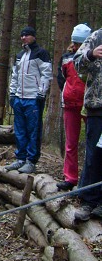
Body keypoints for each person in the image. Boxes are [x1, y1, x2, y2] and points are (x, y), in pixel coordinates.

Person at [5, 26, 53, 174]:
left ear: (33, 36)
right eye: (22, 35)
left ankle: (31, 161)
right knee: (20, 130)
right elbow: (15, 76)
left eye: (27, 35)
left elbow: (47, 74)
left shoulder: (41, 53)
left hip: (33, 98)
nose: (24, 38)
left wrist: (41, 93)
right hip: (19, 98)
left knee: (33, 130)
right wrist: (12, 94)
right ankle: (20, 158)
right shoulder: (20, 55)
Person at [56, 24, 92, 191]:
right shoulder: (66, 58)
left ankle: (89, 180)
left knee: (93, 144)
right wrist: (68, 92)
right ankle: (70, 177)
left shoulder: (93, 57)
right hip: (70, 104)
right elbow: (61, 78)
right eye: (76, 43)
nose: (78, 46)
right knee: (71, 143)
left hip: (90, 105)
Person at [73, 27, 102, 222]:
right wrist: (91, 54)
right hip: (97, 108)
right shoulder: (97, 36)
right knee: (94, 155)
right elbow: (76, 63)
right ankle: (89, 201)